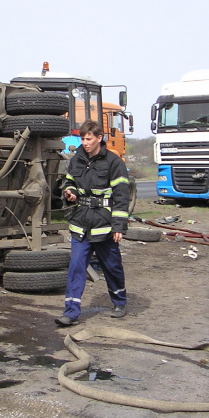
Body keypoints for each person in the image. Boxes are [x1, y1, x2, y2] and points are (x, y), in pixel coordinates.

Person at [55, 120, 130, 326]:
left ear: (99, 138)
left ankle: (119, 302)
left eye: (89, 139)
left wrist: (119, 226)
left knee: (112, 267)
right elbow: (69, 182)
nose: (85, 143)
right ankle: (71, 312)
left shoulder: (114, 162)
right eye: (82, 139)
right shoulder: (76, 160)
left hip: (104, 226)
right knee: (76, 267)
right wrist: (69, 192)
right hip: (81, 224)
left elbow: (122, 196)